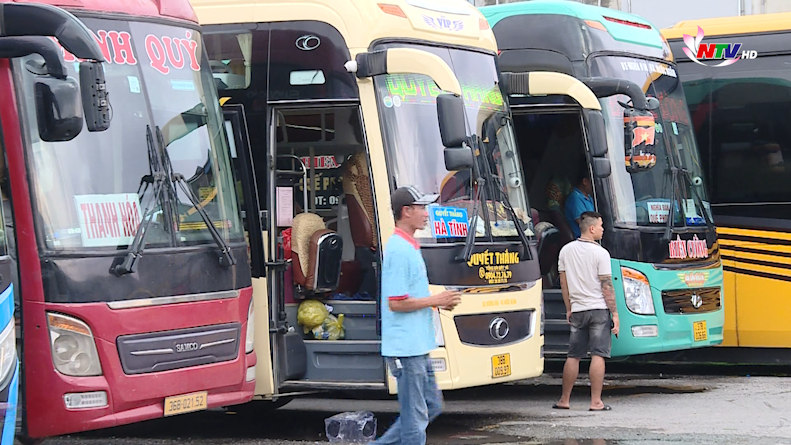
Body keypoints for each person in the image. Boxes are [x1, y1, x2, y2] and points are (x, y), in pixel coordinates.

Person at [372, 185, 462, 445]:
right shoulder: (399, 250)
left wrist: (437, 303)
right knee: (415, 420)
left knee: (430, 407)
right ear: (406, 211)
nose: (426, 213)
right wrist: (436, 300)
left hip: (418, 346)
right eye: (421, 208)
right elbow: (396, 303)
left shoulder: (409, 246)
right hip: (406, 349)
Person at [553, 211, 619, 412]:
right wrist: (614, 313)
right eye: (600, 226)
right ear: (591, 229)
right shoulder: (601, 253)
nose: (602, 229)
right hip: (598, 309)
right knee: (598, 354)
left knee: (573, 355)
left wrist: (569, 308)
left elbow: (563, 283)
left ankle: (564, 400)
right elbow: (606, 285)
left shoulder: (566, 251)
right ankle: (596, 401)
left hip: (578, 310)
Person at [564, 170, 594, 238]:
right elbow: (584, 223)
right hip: (582, 240)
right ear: (585, 182)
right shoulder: (575, 198)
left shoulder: (589, 197)